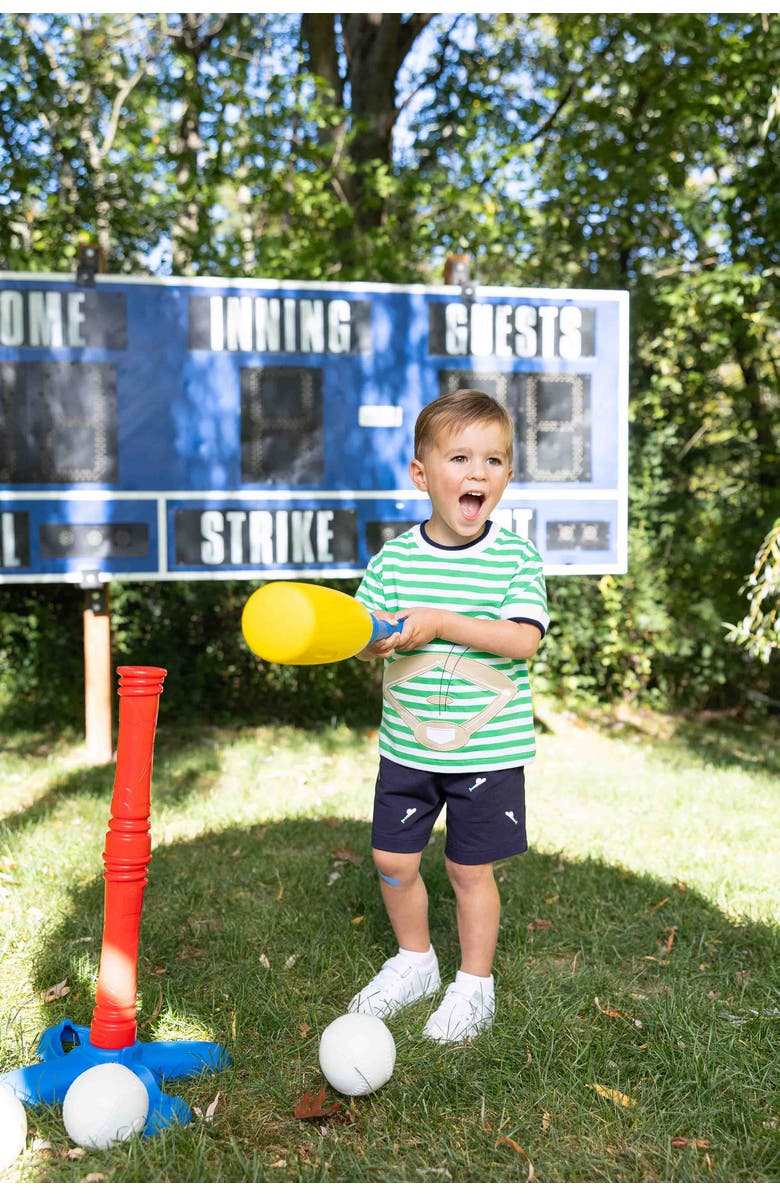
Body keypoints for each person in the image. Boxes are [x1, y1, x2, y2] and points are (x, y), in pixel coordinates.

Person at [349, 389, 549, 1042]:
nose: (477, 473)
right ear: (421, 474)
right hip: (408, 750)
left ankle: (474, 985)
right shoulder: (396, 561)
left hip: (486, 754)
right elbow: (365, 632)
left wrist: (437, 622)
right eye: (460, 457)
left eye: (493, 460)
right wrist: (373, 638)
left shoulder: (515, 559)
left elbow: (523, 639)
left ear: (507, 478)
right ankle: (415, 961)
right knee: (393, 859)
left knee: (469, 870)